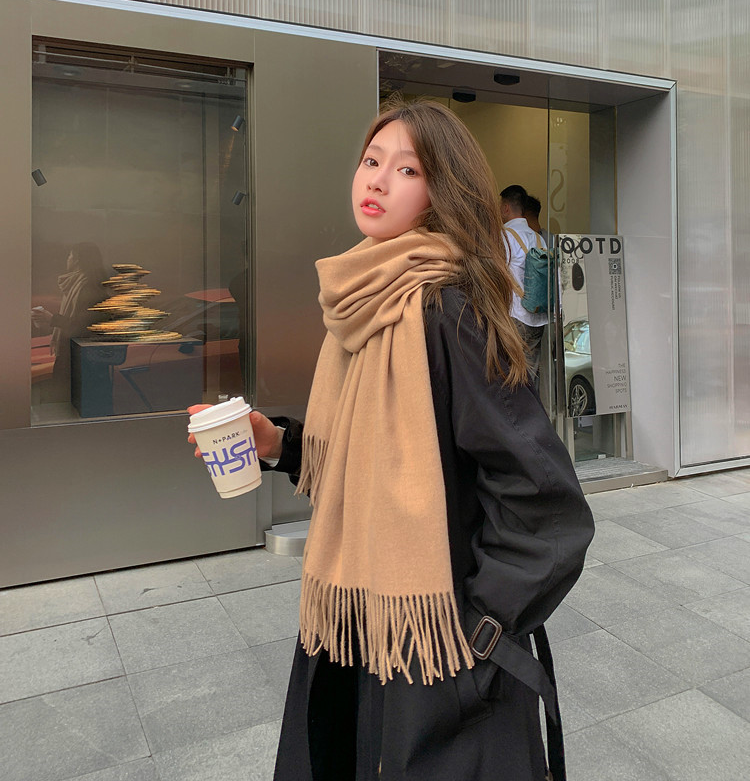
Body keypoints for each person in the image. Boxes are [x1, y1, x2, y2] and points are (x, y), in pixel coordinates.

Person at [190, 100, 594, 781]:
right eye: (371, 161)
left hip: (431, 650)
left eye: (407, 169)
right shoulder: (362, 299)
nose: (377, 179)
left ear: (441, 193)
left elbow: (547, 507)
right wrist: (276, 443)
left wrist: (478, 633)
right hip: (358, 623)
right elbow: (366, 457)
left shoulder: (447, 311)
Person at [32, 242, 107, 401]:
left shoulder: (89, 287)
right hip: (76, 356)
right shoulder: (79, 284)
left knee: (69, 401)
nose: (68, 259)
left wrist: (51, 318)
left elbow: (81, 326)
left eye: (70, 255)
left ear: (77, 259)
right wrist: (49, 320)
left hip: (81, 359)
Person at [499, 184, 548, 390]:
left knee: (510, 373)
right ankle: (531, 406)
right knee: (531, 371)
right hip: (537, 317)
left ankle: (517, 408)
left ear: (506, 208)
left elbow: (496, 275)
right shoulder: (539, 238)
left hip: (514, 315)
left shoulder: (504, 236)